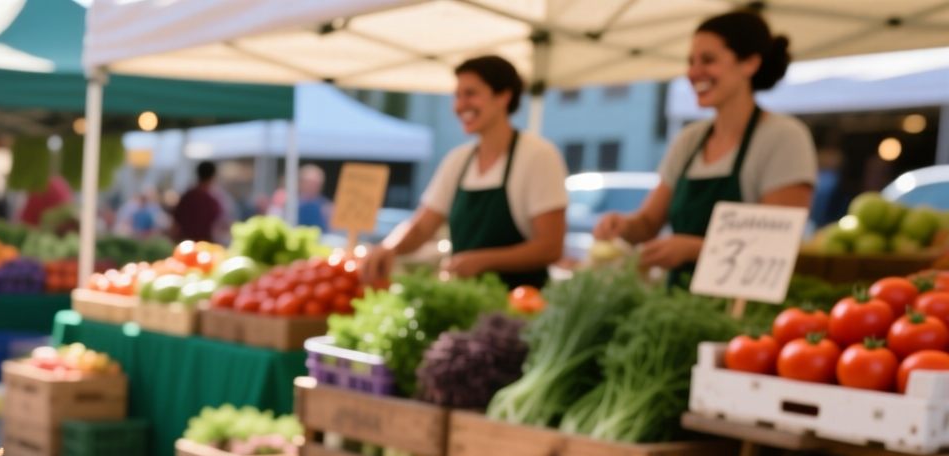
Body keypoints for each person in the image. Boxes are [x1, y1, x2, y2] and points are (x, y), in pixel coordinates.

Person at [592, 11, 814, 287]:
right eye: (691, 62)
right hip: (677, 304)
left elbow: (777, 246)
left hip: (743, 310)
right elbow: (648, 223)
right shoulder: (689, 139)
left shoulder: (783, 137)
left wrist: (690, 249)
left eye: (708, 60)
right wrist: (622, 225)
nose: (693, 72)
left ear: (750, 63)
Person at [362, 56, 566, 289]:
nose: (459, 106)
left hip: (522, 306)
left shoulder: (538, 156)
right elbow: (421, 227)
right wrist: (390, 247)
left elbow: (551, 247)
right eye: (457, 96)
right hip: (466, 304)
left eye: (470, 94)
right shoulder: (458, 161)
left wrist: (482, 261)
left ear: (504, 96)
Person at [172, 162, 223, 243]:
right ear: (213, 176)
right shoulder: (213, 201)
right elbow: (220, 227)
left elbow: (175, 224)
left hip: (185, 244)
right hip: (206, 245)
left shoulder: (187, 197)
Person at [296, 164, 333, 229]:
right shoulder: (289, 205)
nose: (311, 186)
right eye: (308, 182)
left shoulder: (327, 207)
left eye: (315, 183)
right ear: (300, 183)